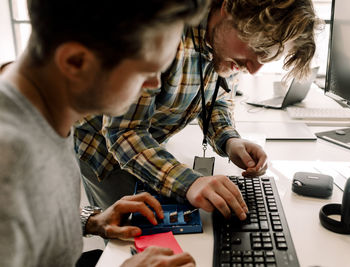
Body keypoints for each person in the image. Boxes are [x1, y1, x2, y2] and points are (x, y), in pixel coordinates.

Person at [0, 0, 208, 266]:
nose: (155, 84)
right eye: (146, 70)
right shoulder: (8, 161)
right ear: (76, 62)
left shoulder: (46, 113)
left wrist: (91, 220)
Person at [75, 0, 322, 220]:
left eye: (266, 57)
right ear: (228, 8)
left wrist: (229, 140)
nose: (254, 68)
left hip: (151, 135)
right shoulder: (160, 32)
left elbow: (216, 98)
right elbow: (124, 132)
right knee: (132, 239)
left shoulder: (226, 43)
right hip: (104, 149)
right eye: (256, 48)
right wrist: (189, 182)